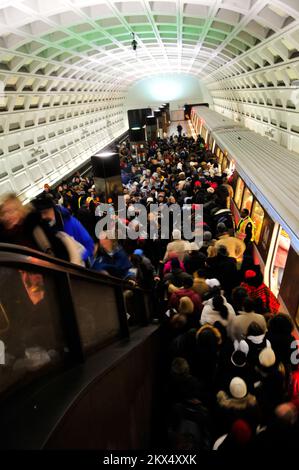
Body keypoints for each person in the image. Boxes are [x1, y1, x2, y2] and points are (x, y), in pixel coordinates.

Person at [33, 195, 94, 263]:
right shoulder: (45, 228)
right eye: (40, 213)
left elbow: (89, 244)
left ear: (53, 209)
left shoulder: (71, 222)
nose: (43, 217)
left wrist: (78, 259)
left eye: (45, 212)